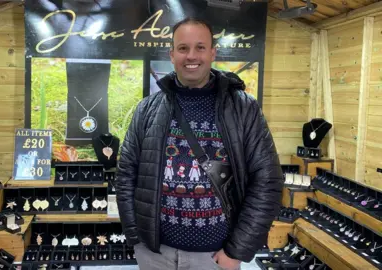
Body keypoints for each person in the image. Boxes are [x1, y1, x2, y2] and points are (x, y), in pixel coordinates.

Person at [115, 17, 284, 270]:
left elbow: (267, 181)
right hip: (154, 254)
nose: (191, 56)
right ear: (172, 54)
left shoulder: (243, 108)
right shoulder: (147, 109)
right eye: (183, 48)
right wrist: (136, 238)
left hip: (215, 256)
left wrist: (236, 250)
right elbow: (126, 174)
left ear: (213, 52)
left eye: (200, 47)